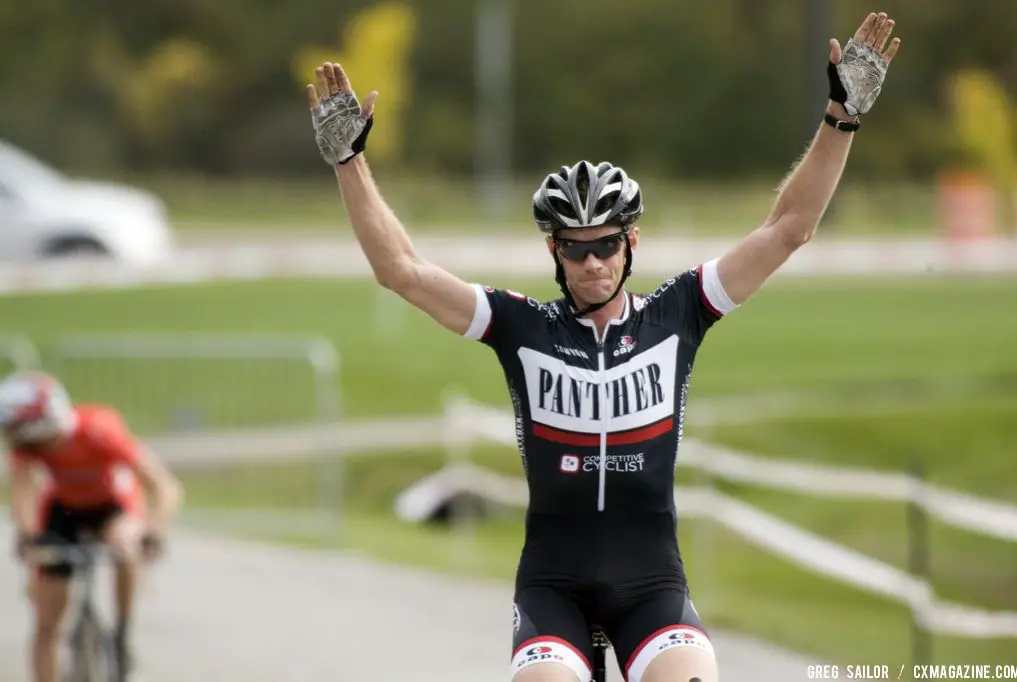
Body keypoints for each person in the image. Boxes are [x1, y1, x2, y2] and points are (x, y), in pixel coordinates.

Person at [305, 11, 899, 682]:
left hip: (652, 586)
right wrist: (349, 162)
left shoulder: (681, 312)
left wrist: (840, 115)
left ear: (632, 244)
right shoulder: (519, 325)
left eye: (606, 244)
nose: (593, 263)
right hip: (553, 589)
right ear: (554, 252)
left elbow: (790, 228)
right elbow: (402, 272)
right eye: (576, 248)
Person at [1, 370, 183, 682]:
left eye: (18, 430)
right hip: (64, 510)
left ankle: (123, 631)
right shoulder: (28, 447)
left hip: (113, 507)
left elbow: (164, 485)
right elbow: (22, 492)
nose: (14, 439)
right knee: (47, 622)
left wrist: (154, 530)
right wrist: (29, 534)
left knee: (125, 546)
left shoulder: (98, 429)